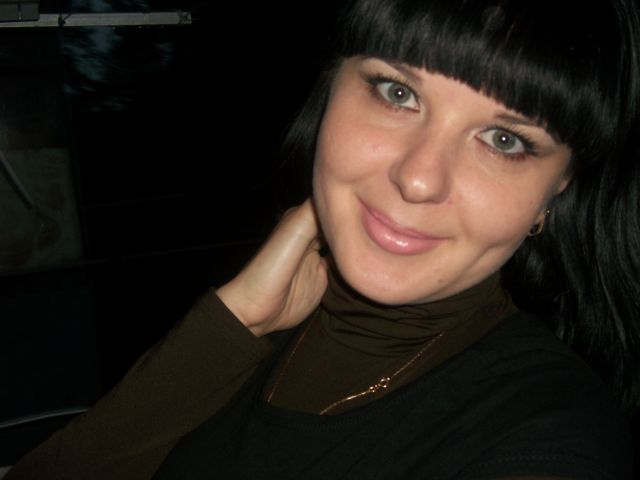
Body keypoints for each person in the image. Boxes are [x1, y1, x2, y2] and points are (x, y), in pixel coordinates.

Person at [6, 0, 640, 478]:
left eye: (504, 140)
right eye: (398, 92)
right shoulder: (262, 322)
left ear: (554, 194)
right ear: (329, 91)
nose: (418, 178)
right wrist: (233, 325)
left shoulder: (547, 434)